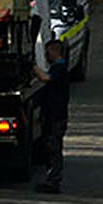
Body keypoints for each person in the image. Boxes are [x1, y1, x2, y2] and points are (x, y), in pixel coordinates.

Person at [33, 39, 70, 194]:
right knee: (50, 147)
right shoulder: (59, 67)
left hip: (56, 116)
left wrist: (33, 67)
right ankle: (51, 178)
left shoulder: (59, 68)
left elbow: (46, 78)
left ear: (55, 52)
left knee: (54, 148)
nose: (47, 56)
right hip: (54, 115)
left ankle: (54, 181)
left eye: (48, 52)